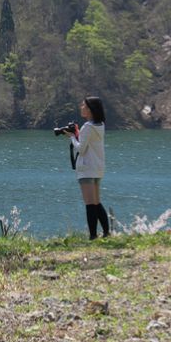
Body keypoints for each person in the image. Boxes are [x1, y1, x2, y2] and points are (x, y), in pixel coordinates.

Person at [65, 96, 109, 239]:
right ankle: (106, 233)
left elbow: (81, 149)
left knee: (90, 204)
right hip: (97, 167)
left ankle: (93, 236)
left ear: (90, 109)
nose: (81, 107)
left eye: (83, 105)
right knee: (96, 202)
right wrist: (78, 134)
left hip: (86, 169)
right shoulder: (100, 125)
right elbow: (88, 143)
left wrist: (72, 137)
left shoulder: (88, 127)